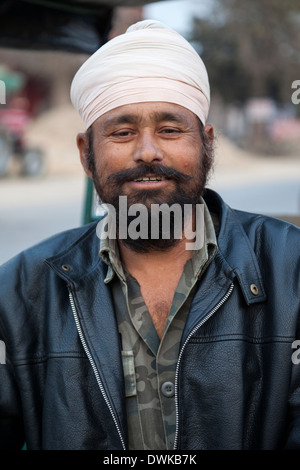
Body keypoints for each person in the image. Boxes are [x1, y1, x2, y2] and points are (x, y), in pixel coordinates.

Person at [0, 19, 300, 451]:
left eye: (170, 130)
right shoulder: (20, 291)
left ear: (207, 145)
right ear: (87, 155)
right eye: (122, 133)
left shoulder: (291, 271)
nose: (147, 151)